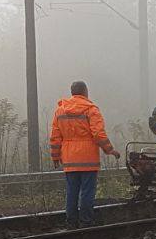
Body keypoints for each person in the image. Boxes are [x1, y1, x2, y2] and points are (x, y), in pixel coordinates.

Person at [48, 81, 120, 228]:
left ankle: (71, 222)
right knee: (87, 192)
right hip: (88, 159)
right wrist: (110, 150)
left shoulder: (60, 111)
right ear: (85, 91)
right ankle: (86, 222)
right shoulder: (91, 110)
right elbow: (98, 135)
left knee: (71, 192)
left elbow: (55, 136)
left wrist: (55, 156)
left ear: (72, 92)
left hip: (69, 159)